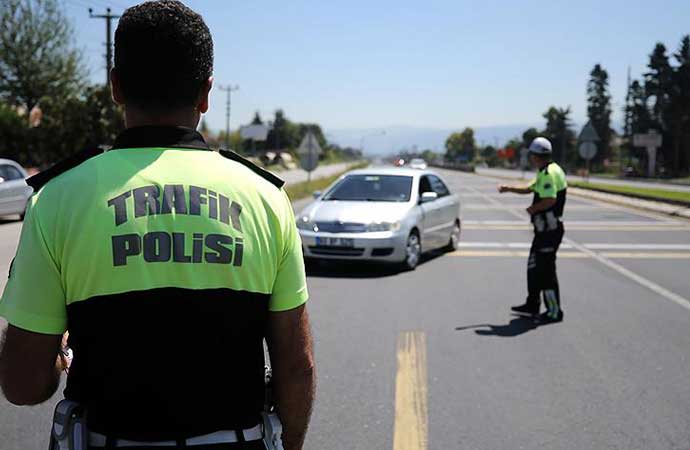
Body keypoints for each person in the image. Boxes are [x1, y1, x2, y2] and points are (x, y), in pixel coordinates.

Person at [0, 2, 315, 449]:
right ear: (206, 94)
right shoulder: (266, 199)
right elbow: (296, 366)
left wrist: (59, 355)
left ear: (116, 87)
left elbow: (21, 383)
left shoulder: (57, 198)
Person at [498, 137, 567, 322]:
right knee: (534, 267)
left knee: (546, 272)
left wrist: (533, 209)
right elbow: (531, 189)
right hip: (544, 230)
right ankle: (532, 304)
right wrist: (509, 188)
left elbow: (550, 199)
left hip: (549, 231)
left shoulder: (548, 173)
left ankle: (554, 311)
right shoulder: (549, 170)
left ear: (537, 156)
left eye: (532, 156)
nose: (531, 159)